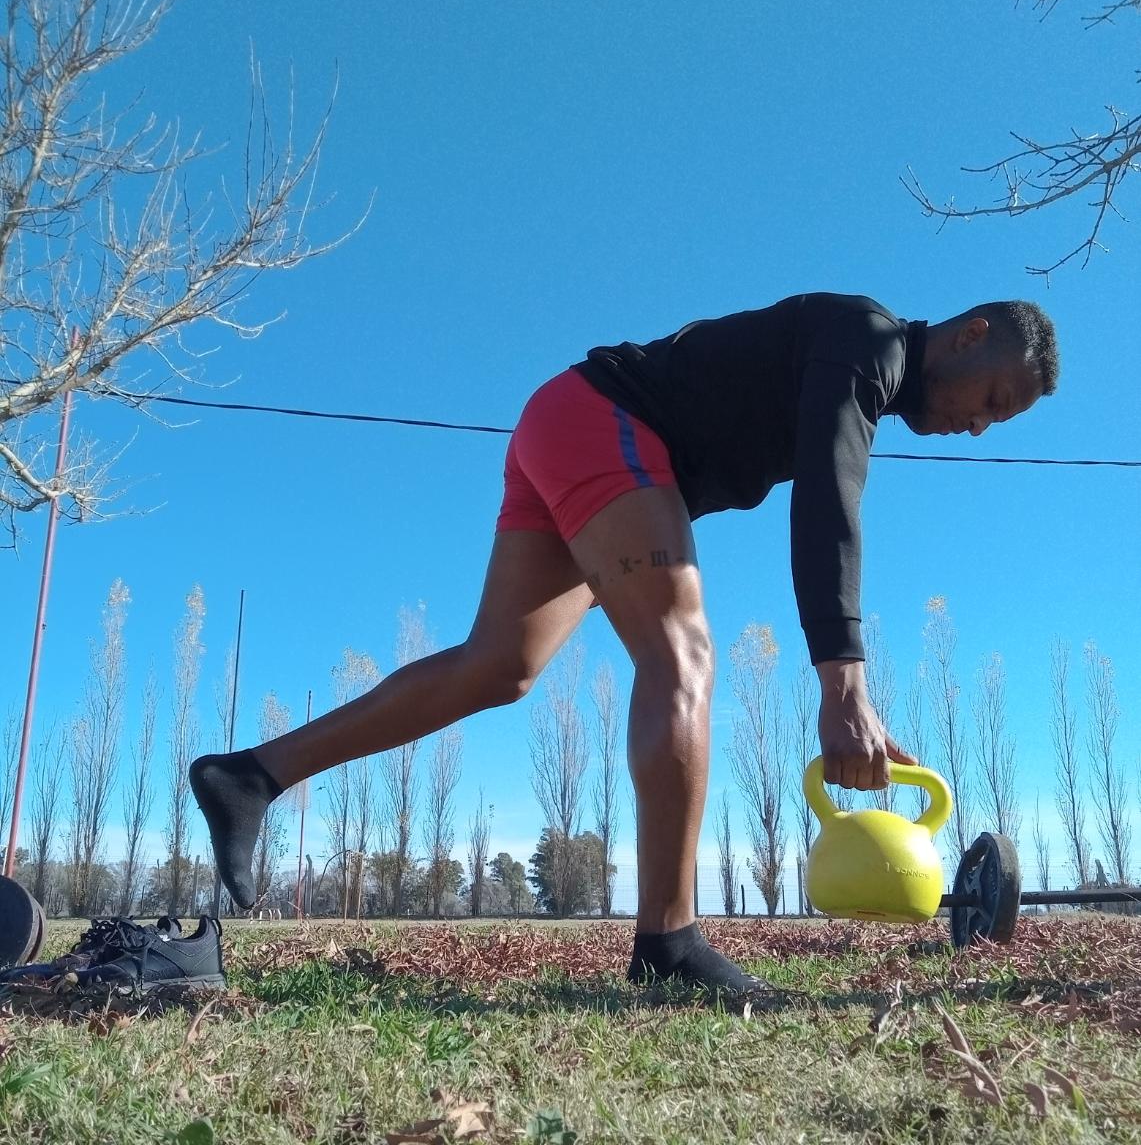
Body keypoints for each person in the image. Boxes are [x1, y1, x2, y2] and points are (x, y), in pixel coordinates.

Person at [191, 291, 1059, 996]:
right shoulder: (867, 340)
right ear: (968, 335)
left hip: (567, 424)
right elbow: (828, 500)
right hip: (605, 419)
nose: (981, 425)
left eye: (999, 422)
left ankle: (250, 775)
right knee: (682, 656)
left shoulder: (866, 364)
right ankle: (670, 942)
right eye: (991, 399)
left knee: (500, 664)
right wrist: (843, 686)